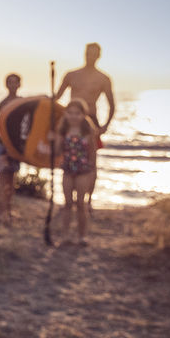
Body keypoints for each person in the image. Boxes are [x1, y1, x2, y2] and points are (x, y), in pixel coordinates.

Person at [55, 42, 116, 211]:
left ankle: (88, 201)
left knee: (92, 161)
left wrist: (105, 126)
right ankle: (68, 200)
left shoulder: (103, 78)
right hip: (70, 120)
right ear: (84, 53)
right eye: (89, 52)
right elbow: (56, 98)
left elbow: (112, 105)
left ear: (99, 56)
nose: (91, 56)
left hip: (91, 120)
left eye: (94, 53)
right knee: (67, 155)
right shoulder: (71, 75)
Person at [50, 98, 99, 245]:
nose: (73, 116)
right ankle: (65, 235)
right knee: (67, 203)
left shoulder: (88, 131)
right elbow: (57, 152)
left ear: (84, 114)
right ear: (65, 114)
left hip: (83, 171)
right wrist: (54, 139)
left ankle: (82, 236)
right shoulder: (63, 131)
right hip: (67, 170)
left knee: (80, 204)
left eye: (77, 113)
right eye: (70, 113)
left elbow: (93, 153)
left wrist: (93, 172)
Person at [0, 73, 22, 224]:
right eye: (10, 82)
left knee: (11, 177)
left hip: (15, 143)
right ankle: (1, 211)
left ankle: (8, 210)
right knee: (2, 175)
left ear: (19, 84)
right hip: (3, 142)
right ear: (6, 84)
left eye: (15, 82)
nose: (12, 85)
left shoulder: (22, 101)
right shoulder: (4, 103)